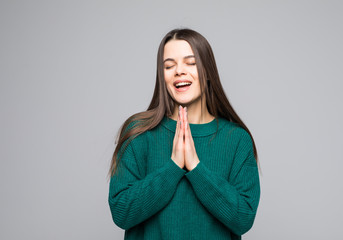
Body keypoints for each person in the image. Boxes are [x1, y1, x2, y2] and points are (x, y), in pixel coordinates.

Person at [108, 28, 261, 240]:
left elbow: (243, 218)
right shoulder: (139, 133)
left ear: (207, 70)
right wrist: (173, 167)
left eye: (190, 62)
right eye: (169, 66)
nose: (179, 71)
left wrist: (196, 168)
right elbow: (121, 212)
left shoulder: (236, 140)